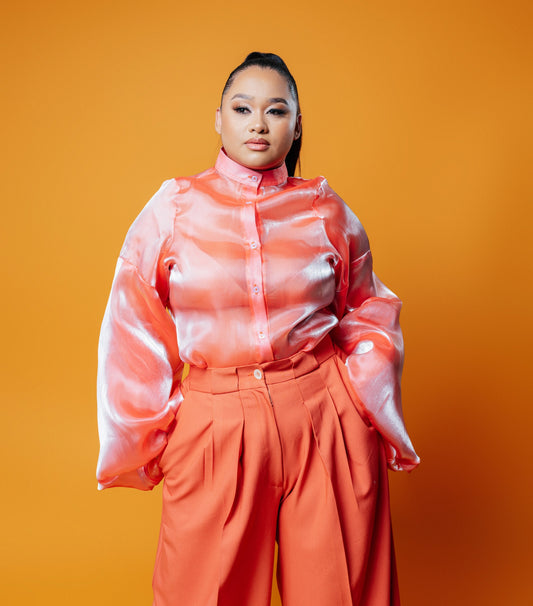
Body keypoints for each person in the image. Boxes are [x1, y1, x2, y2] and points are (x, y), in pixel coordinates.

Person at [96, 52, 420, 606]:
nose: (259, 124)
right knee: (201, 593)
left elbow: (368, 307)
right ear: (218, 119)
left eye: (276, 110)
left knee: (340, 592)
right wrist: (158, 434)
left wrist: (360, 401)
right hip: (215, 425)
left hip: (325, 419)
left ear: (297, 125)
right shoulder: (174, 209)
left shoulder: (325, 210)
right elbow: (132, 318)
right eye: (242, 108)